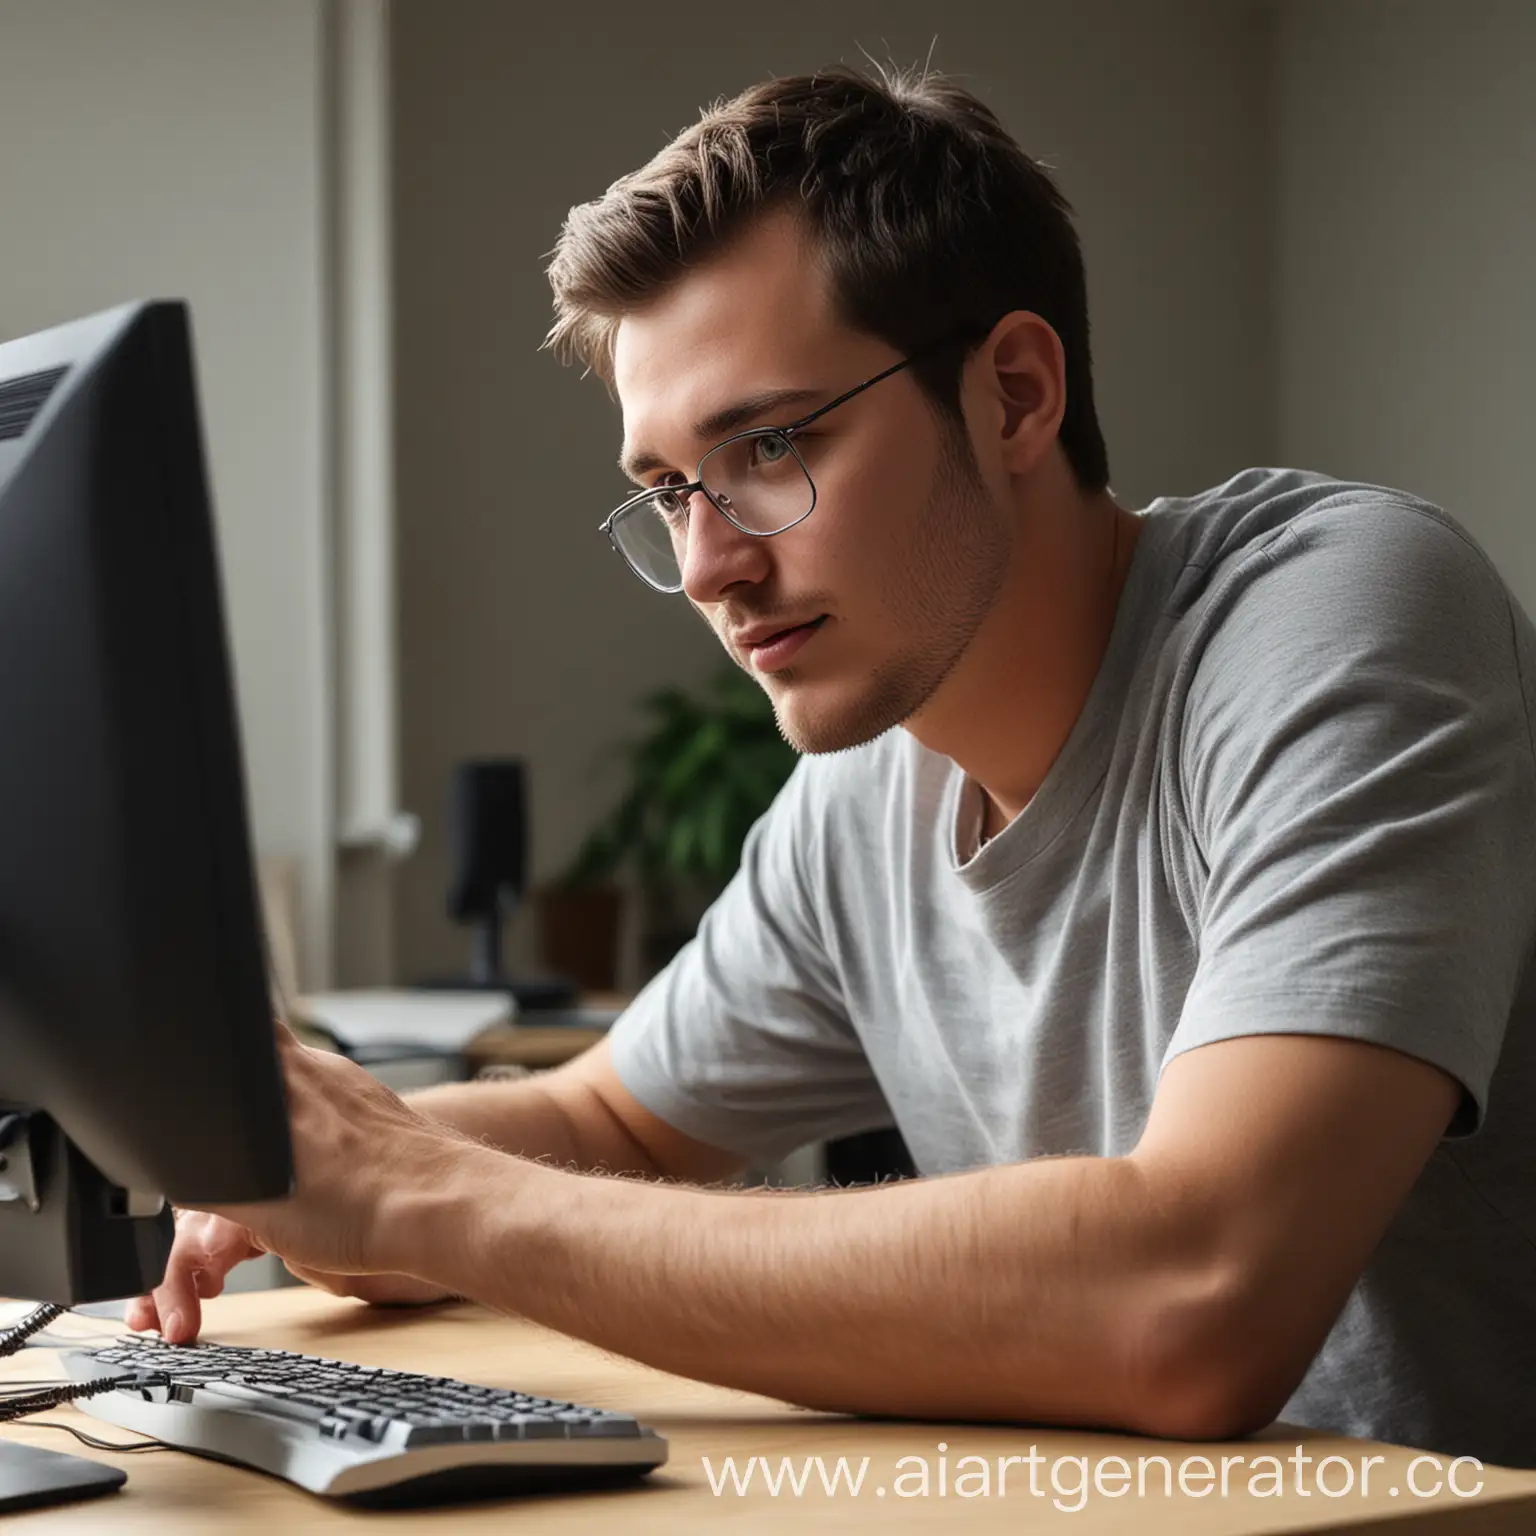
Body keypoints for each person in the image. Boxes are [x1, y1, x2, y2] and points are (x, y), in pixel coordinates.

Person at [129, 64, 1536, 1468]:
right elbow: (603, 1118)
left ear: (1017, 395)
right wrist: (321, 1156)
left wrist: (423, 1193)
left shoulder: (1344, 614)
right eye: (670, 489)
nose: (708, 565)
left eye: (773, 443)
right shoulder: (872, 789)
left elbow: (1198, 1299)